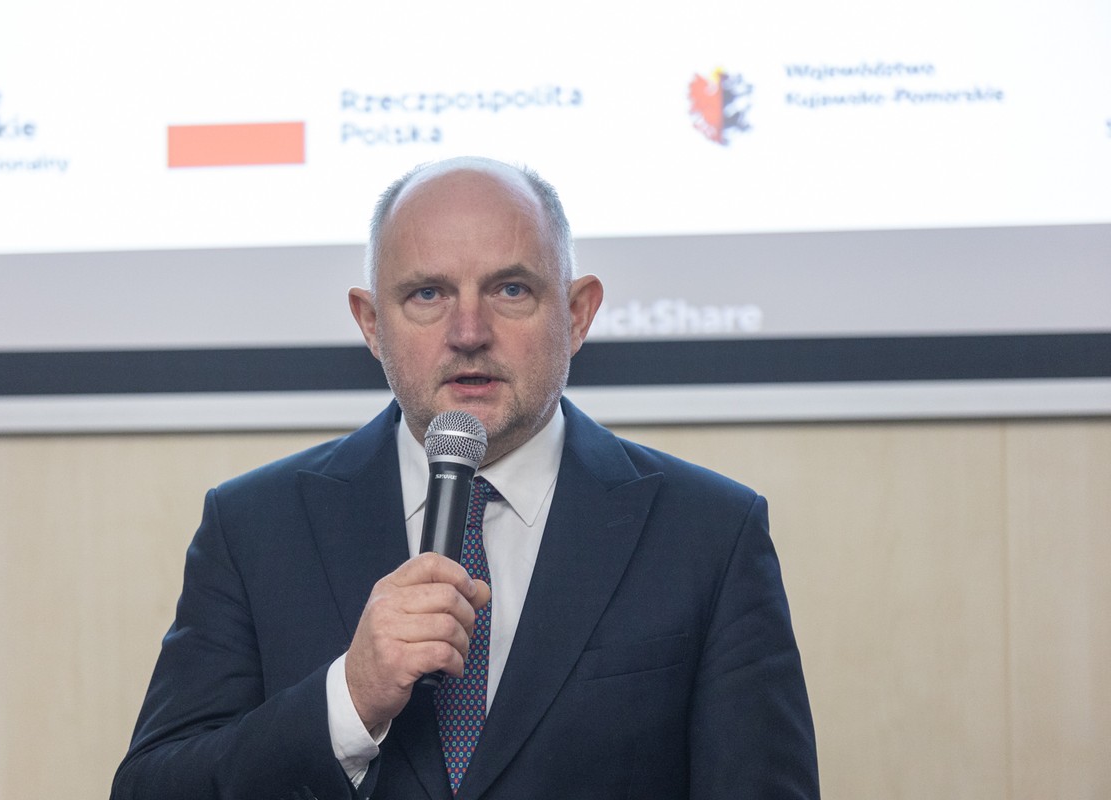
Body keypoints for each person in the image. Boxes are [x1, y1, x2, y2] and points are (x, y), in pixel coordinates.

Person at [111, 156, 818, 799]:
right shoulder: (254, 527)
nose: (469, 331)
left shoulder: (710, 534)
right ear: (371, 323)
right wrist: (346, 702)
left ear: (577, 314)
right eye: (427, 294)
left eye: (511, 289)